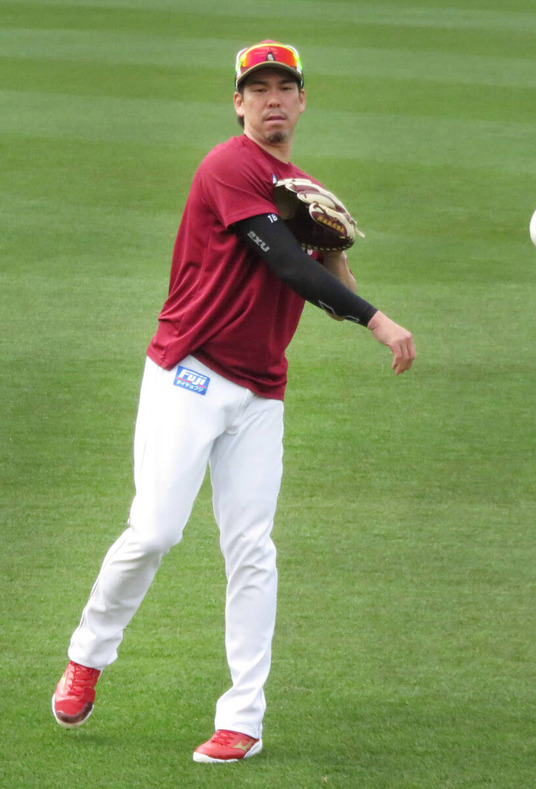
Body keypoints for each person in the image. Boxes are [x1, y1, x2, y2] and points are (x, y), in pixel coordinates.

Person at [51, 39, 416, 764]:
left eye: (285, 88)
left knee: (252, 549)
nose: (272, 99)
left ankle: (242, 718)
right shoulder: (230, 167)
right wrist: (377, 319)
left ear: (302, 101)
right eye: (258, 89)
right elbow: (281, 261)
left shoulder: (306, 192)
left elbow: (321, 278)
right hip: (189, 372)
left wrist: (337, 250)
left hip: (261, 392)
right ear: (239, 103)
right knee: (155, 531)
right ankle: (88, 654)